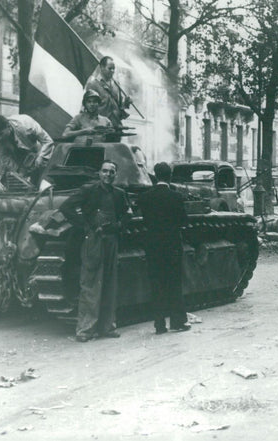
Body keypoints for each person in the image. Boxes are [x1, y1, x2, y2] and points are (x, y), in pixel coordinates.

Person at [60, 160, 129, 342]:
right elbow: (66, 207)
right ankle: (85, 329)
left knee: (109, 283)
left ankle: (107, 326)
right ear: (99, 173)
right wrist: (85, 226)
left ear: (116, 174)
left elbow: (127, 213)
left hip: (111, 240)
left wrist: (119, 225)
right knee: (90, 283)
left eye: (111, 172)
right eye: (105, 171)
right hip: (94, 241)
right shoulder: (88, 190)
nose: (108, 175)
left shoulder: (119, 194)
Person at [137, 161, 191, 334]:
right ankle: (177, 321)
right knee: (174, 283)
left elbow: (144, 220)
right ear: (169, 176)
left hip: (153, 245)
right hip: (172, 245)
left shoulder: (145, 197)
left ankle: (159, 324)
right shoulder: (175, 197)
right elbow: (183, 221)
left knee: (156, 283)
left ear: (155, 175)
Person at [0, 114, 54, 186]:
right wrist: (17, 172)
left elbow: (48, 141)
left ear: (8, 127)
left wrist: (41, 158)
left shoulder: (27, 126)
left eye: (1, 134)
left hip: (39, 152)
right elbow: (4, 156)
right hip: (21, 155)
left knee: (39, 182)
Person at [85, 56, 132, 129]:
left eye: (114, 69)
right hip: (100, 129)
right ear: (102, 68)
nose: (112, 71)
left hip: (116, 127)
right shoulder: (93, 84)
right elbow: (88, 108)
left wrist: (126, 103)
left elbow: (119, 107)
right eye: (110, 68)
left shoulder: (116, 85)